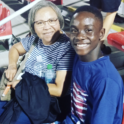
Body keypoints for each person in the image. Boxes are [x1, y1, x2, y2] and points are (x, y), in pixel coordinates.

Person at [0, 1, 75, 123]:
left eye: (51, 21)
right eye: (40, 23)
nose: (46, 27)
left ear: (59, 21)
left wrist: (24, 86)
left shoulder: (65, 48)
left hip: (44, 104)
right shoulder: (35, 40)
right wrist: (12, 66)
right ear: (33, 26)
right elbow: (15, 48)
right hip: (24, 93)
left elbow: (59, 89)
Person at [55, 5, 123, 124]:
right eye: (74, 30)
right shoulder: (79, 57)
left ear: (101, 34)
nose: (80, 36)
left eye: (88, 30)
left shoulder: (106, 81)